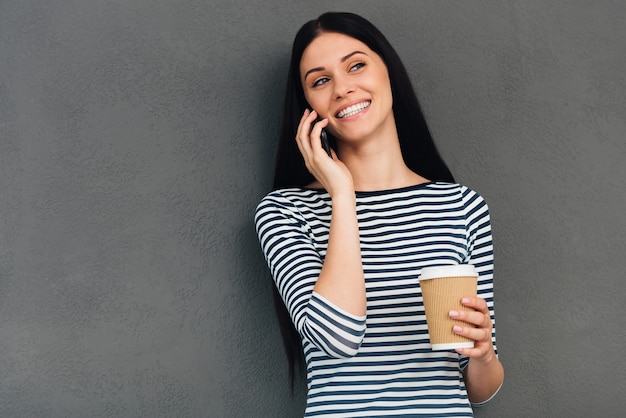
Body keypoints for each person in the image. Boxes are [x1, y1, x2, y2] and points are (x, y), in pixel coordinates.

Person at [255, 11, 504, 417]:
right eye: (320, 81)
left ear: (388, 70)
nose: (342, 88)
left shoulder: (462, 206)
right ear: (309, 109)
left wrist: (483, 355)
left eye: (356, 65)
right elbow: (336, 337)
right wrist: (342, 193)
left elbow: (478, 388)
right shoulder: (285, 212)